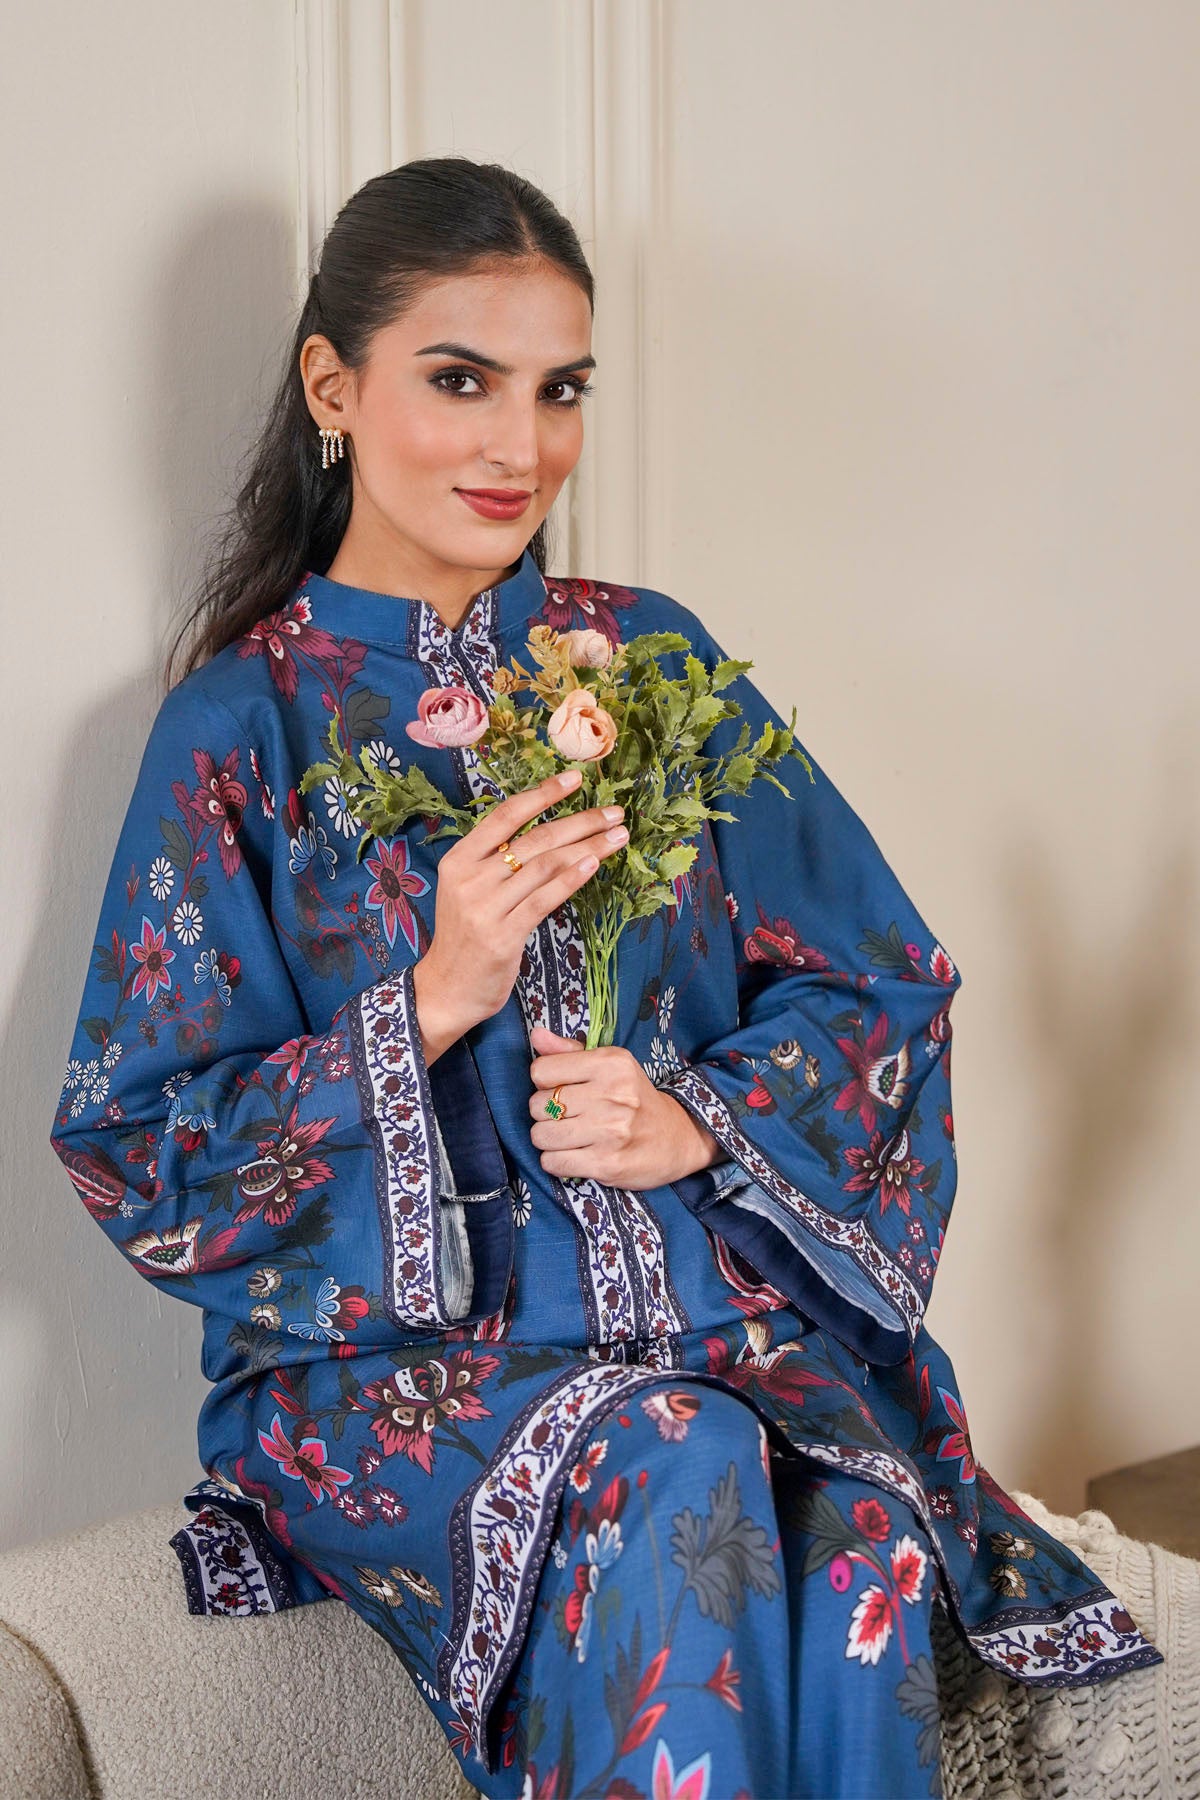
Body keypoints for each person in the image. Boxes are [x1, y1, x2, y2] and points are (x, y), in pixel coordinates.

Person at [50, 155, 1160, 1800]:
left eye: (558, 388)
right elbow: (138, 1142)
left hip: (713, 1327)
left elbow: (881, 982)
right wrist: (432, 997)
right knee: (674, 1458)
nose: (522, 444)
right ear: (332, 386)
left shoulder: (656, 664)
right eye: (463, 380)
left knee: (862, 1534)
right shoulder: (242, 728)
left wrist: (695, 1119)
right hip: (394, 1380)